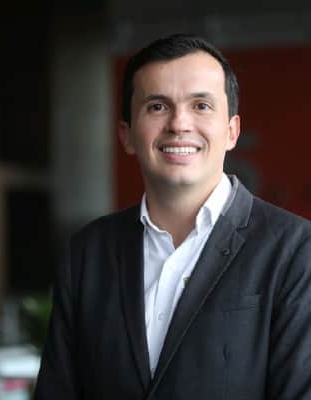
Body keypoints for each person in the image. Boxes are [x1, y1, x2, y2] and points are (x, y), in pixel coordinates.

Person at [33, 33, 311, 399]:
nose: (179, 123)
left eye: (201, 105)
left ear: (232, 131)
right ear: (127, 135)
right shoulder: (87, 252)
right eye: (157, 107)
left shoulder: (296, 250)